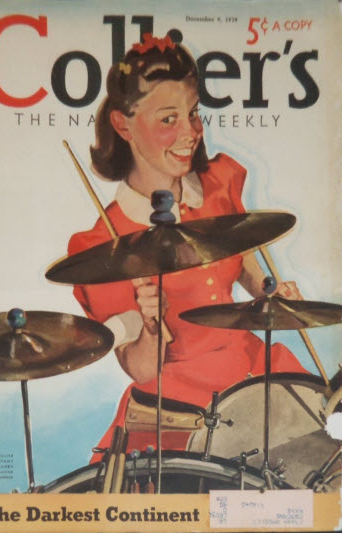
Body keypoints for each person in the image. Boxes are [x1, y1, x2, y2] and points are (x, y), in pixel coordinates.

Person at [68, 34, 307, 461]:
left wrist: (270, 293)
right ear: (123, 125)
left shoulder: (216, 186)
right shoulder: (105, 243)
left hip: (253, 370)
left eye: (194, 113)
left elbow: (246, 266)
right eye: (168, 119)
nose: (191, 132)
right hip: (178, 406)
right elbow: (141, 368)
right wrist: (151, 324)